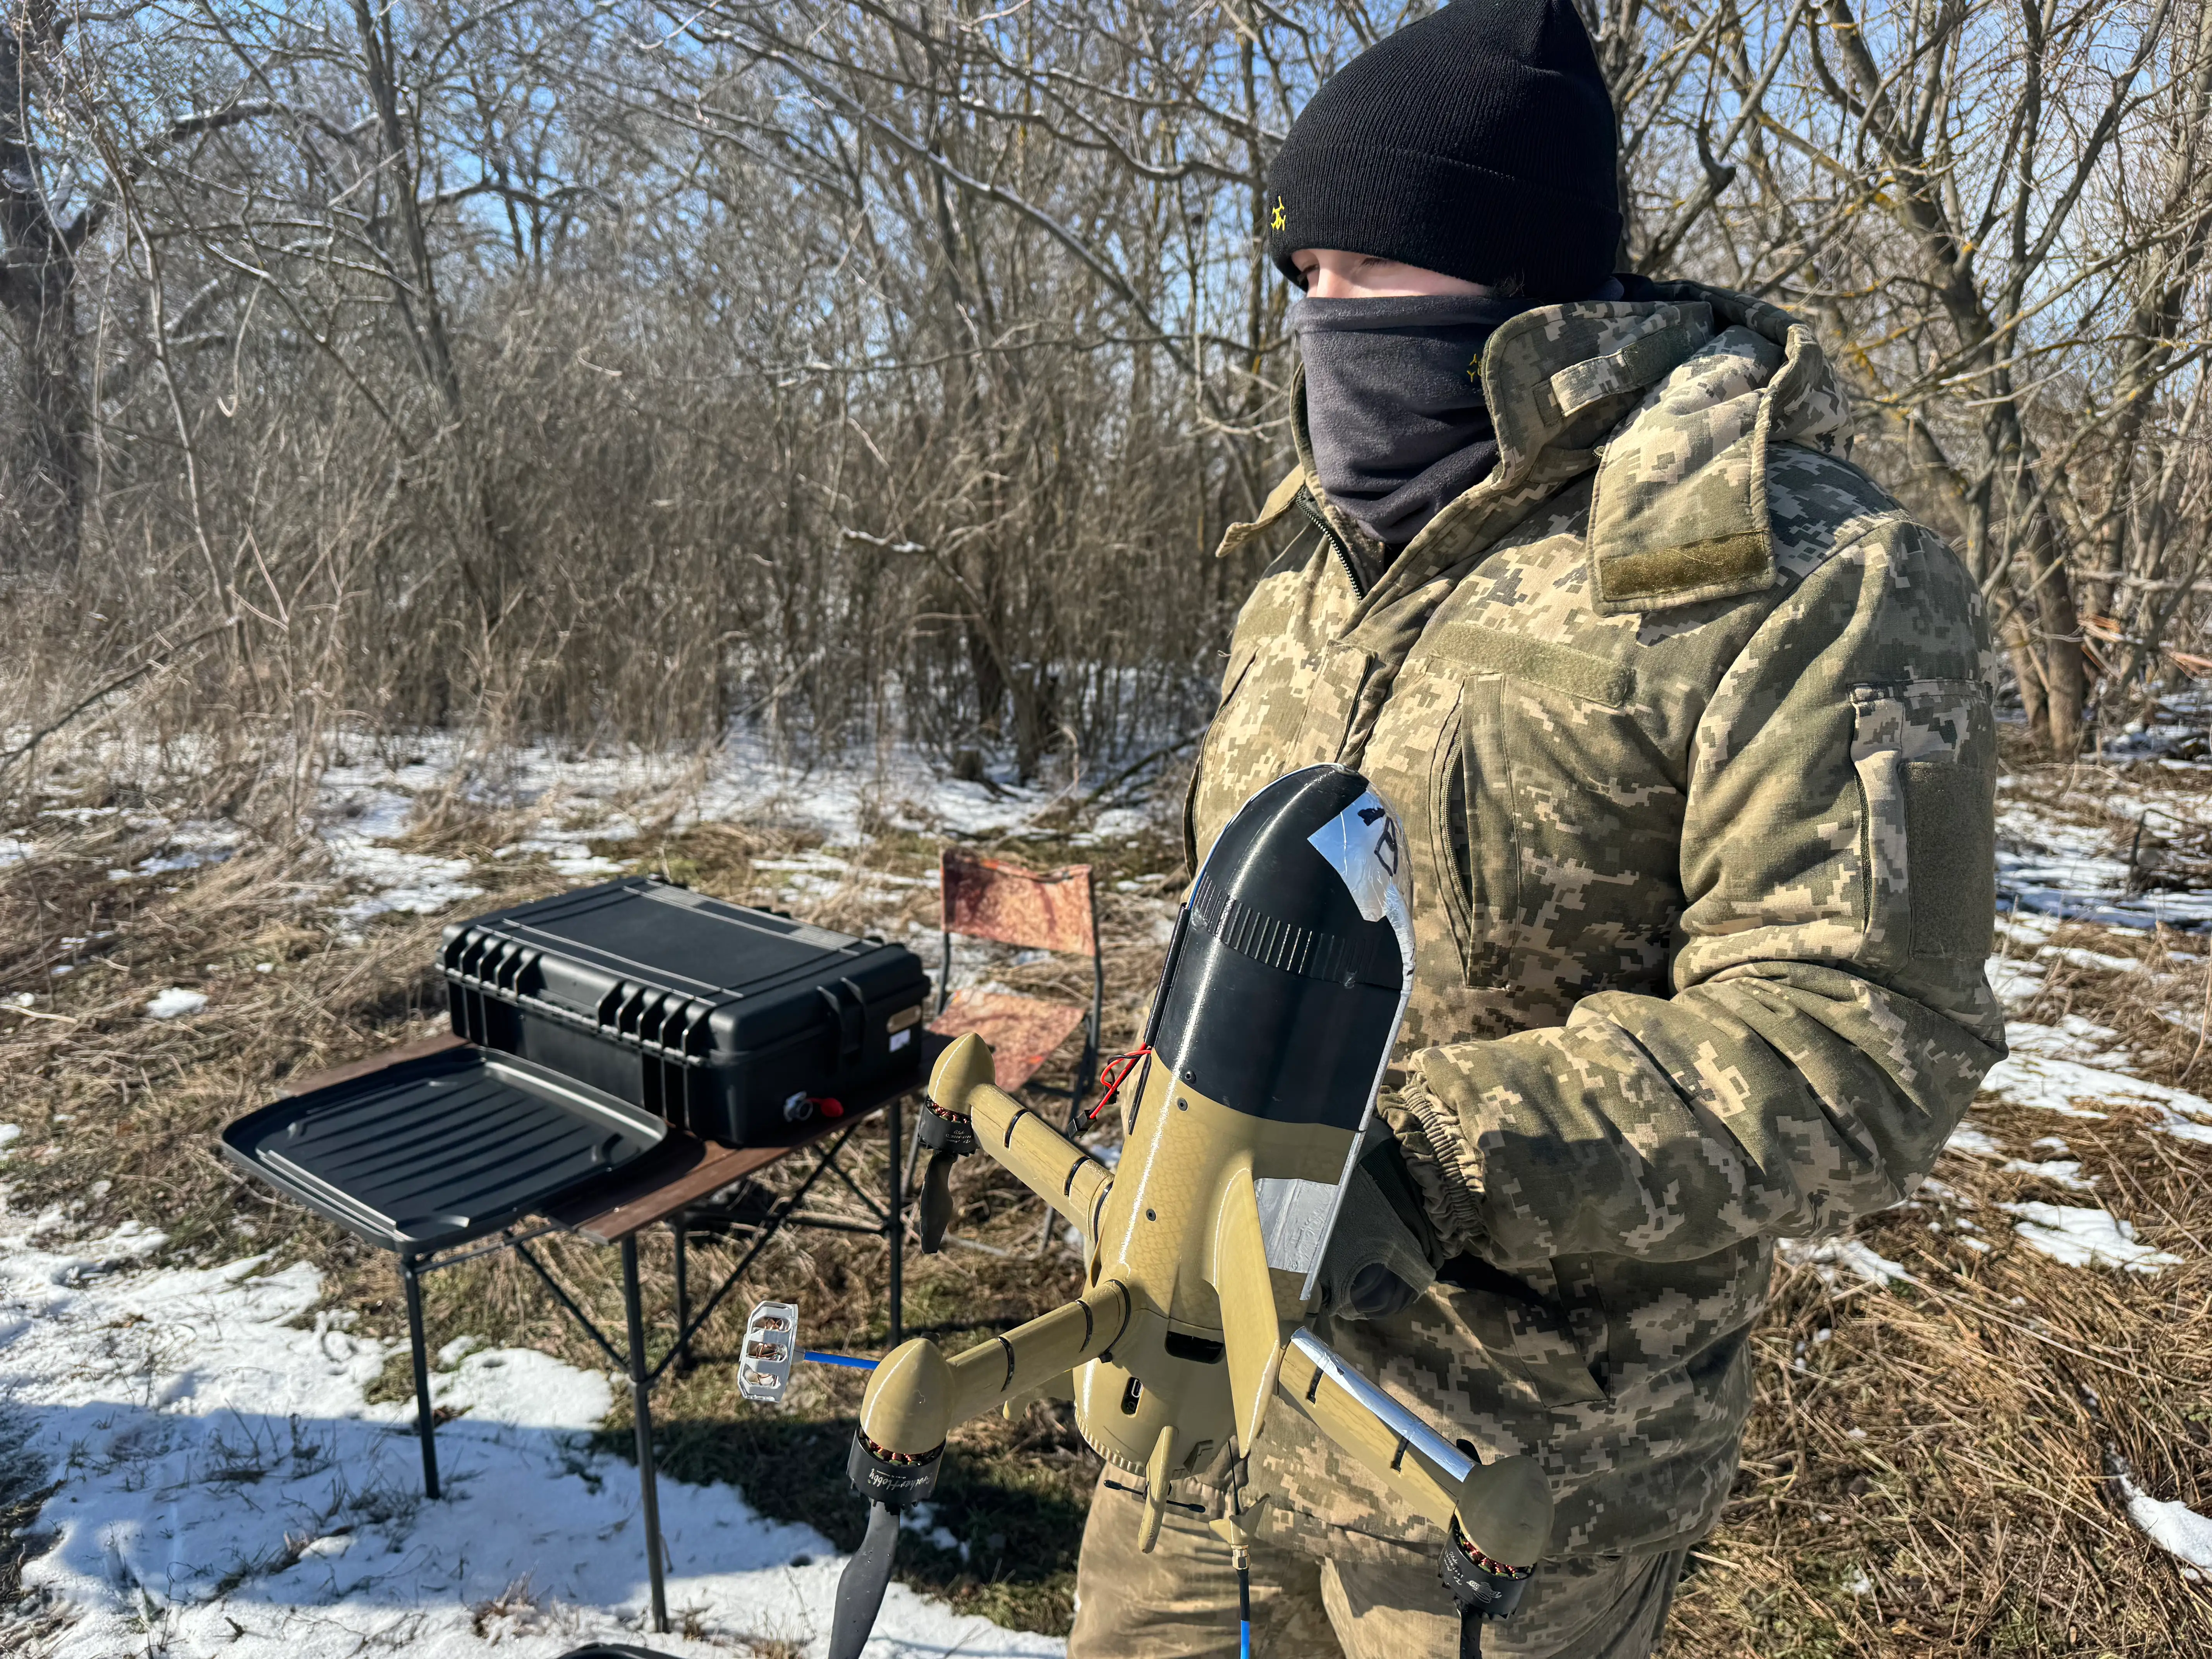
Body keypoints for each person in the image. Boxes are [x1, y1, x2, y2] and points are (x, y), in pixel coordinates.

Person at [1066, 2, 2006, 1656]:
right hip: (1195, 1427)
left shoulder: (1801, 573)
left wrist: (1414, 1165)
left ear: (1521, 271)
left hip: (1501, 1498)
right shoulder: (1309, 562)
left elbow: (1865, 1041)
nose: (1326, 320)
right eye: (1303, 281)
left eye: (1371, 268)